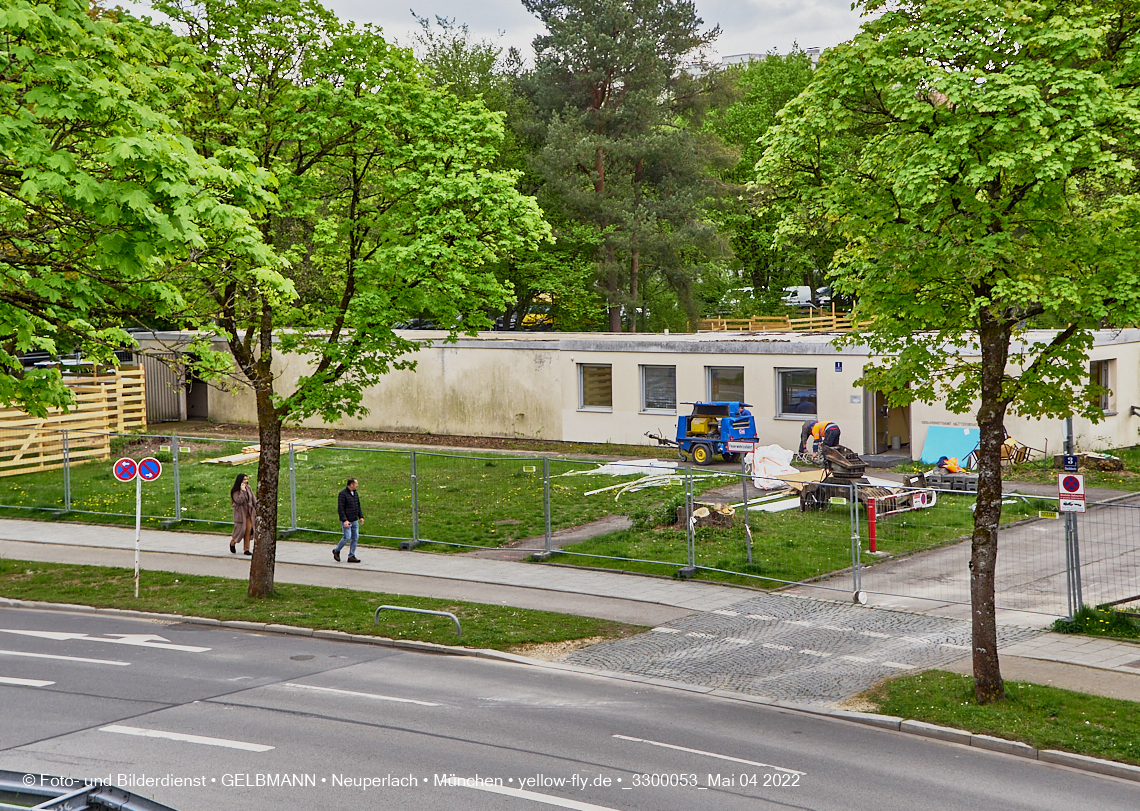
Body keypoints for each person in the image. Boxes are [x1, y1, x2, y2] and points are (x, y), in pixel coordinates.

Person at [334, 477, 363, 563]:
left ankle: (351, 555)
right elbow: (341, 508)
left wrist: (360, 516)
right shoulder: (342, 494)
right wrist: (344, 520)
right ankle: (336, 550)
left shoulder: (355, 493)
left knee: (355, 537)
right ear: (351, 485)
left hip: (354, 519)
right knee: (347, 537)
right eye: (356, 484)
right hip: (347, 520)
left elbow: (358, 505)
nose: (357, 485)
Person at [230, 473, 256, 556]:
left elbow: (253, 498)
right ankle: (233, 542)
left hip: (249, 512)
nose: (246, 481)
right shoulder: (236, 491)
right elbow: (239, 500)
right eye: (244, 479)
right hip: (240, 513)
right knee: (241, 530)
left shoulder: (248, 488)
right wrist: (242, 491)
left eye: (246, 479)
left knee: (248, 530)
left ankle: (246, 549)